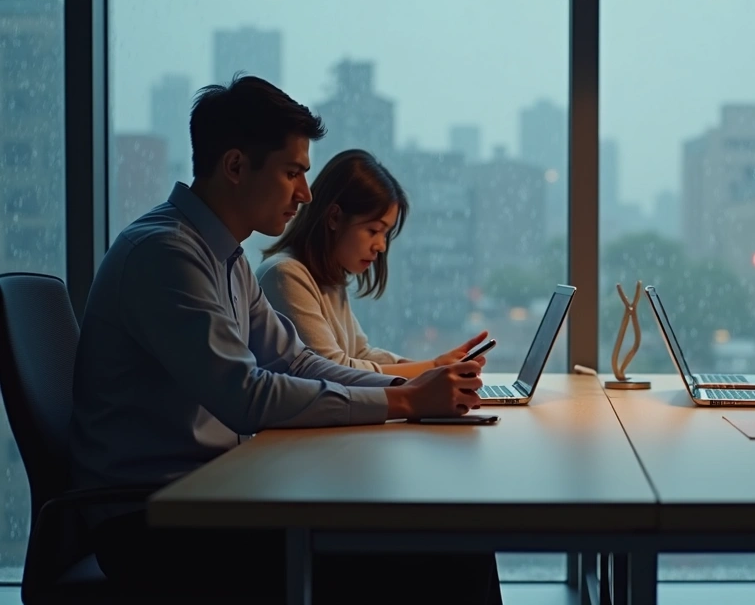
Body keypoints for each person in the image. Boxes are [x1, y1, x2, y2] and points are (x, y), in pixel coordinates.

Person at [69, 75, 502, 604]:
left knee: (453, 541)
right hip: (153, 526)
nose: (306, 194)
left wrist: (407, 390)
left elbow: (295, 362)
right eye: (292, 172)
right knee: (454, 556)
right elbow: (245, 396)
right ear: (235, 166)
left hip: (214, 495)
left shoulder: (226, 258)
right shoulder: (165, 255)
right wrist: (405, 401)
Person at [256, 149, 488, 377]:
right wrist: (430, 368)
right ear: (334, 217)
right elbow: (334, 370)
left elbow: (359, 353)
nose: (381, 246)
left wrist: (434, 367)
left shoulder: (328, 279)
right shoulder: (285, 275)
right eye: (373, 230)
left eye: (385, 234)